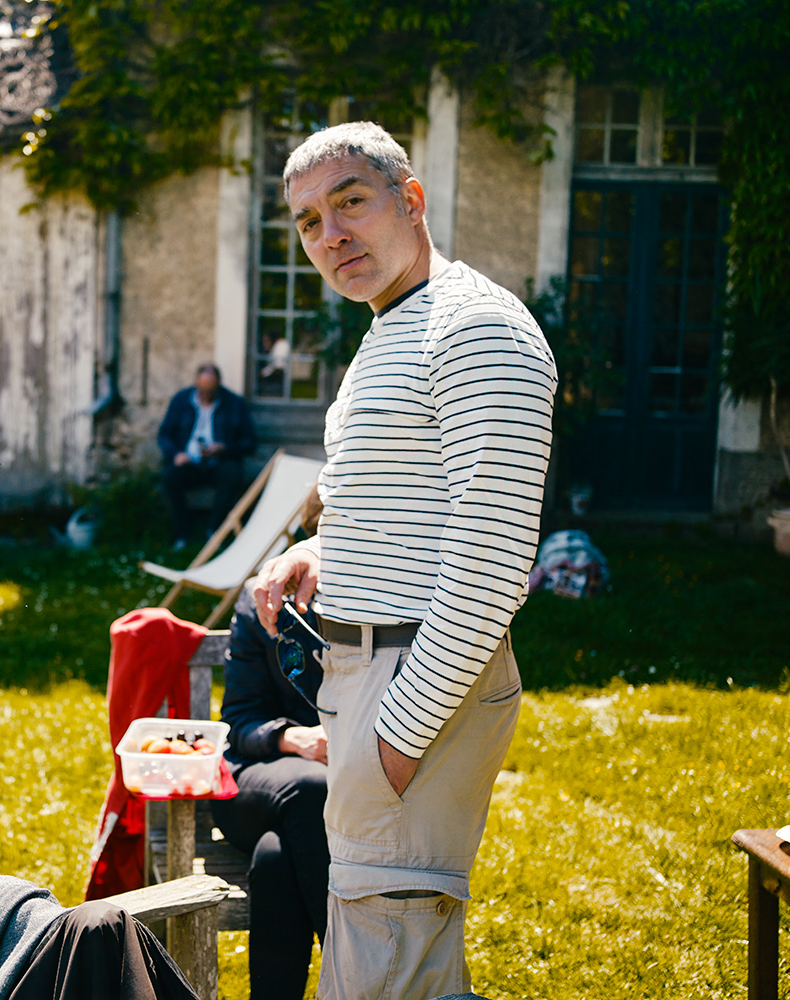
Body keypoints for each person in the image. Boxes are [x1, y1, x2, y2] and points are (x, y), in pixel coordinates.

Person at [252, 121, 557, 1000]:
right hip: (370, 676)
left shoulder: (474, 327)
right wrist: (321, 551)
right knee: (389, 958)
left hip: (414, 686)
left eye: (350, 202)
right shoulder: (395, 322)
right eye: (309, 222)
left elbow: (492, 557)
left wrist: (395, 738)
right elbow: (416, 496)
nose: (330, 235)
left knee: (385, 964)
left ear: (410, 199)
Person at [212, 557, 329, 1000]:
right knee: (311, 788)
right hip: (257, 782)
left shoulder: (382, 594)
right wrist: (293, 739)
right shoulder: (264, 598)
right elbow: (239, 721)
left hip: (342, 797)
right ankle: (359, 977)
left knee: (276, 856)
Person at [156, 363, 257, 547]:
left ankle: (214, 530)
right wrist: (176, 454)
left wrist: (224, 448)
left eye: (210, 390)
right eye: (202, 389)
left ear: (218, 385)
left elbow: (250, 442)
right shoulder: (181, 400)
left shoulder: (234, 403)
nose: (205, 394)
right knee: (168, 476)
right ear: (196, 383)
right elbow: (164, 435)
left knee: (232, 473)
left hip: (218, 464)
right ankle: (182, 534)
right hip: (188, 464)